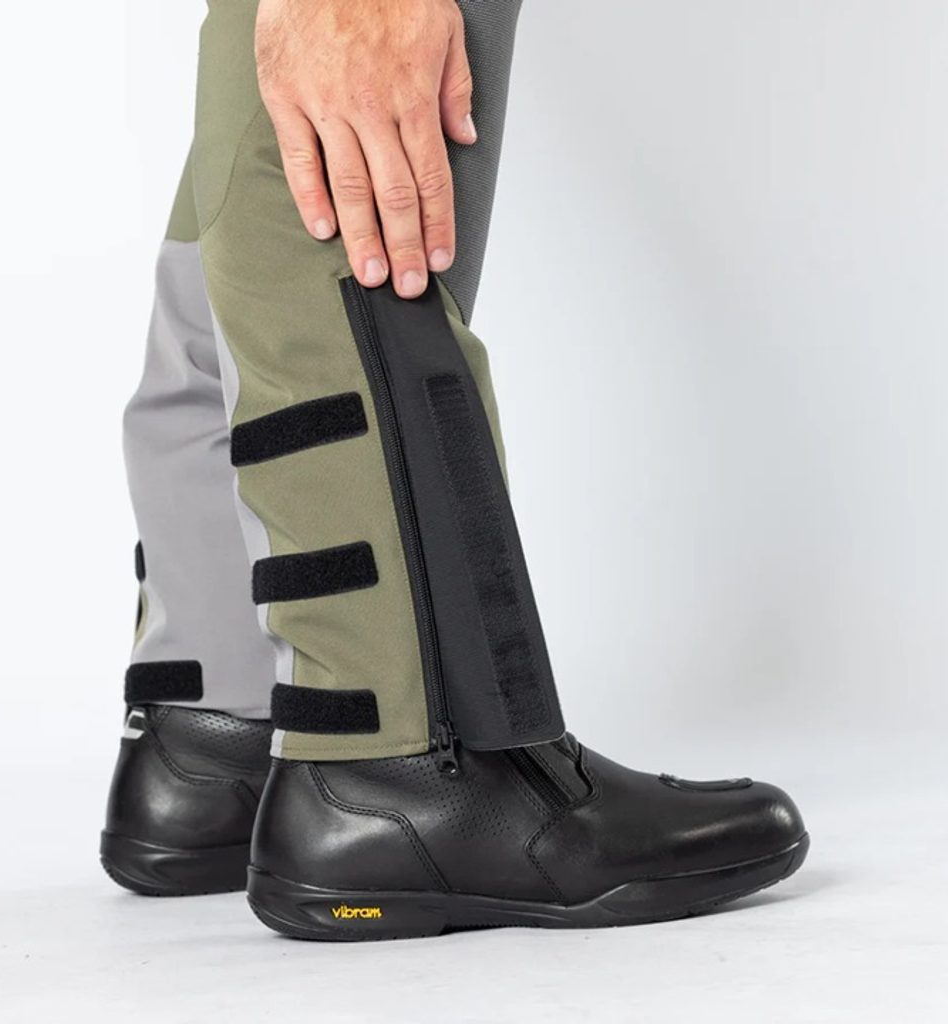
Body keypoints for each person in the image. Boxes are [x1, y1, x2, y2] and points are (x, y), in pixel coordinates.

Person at [102, 0, 808, 939]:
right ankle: (397, 756)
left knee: (282, 53)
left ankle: (218, 719)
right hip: (417, 756)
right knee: (350, 40)